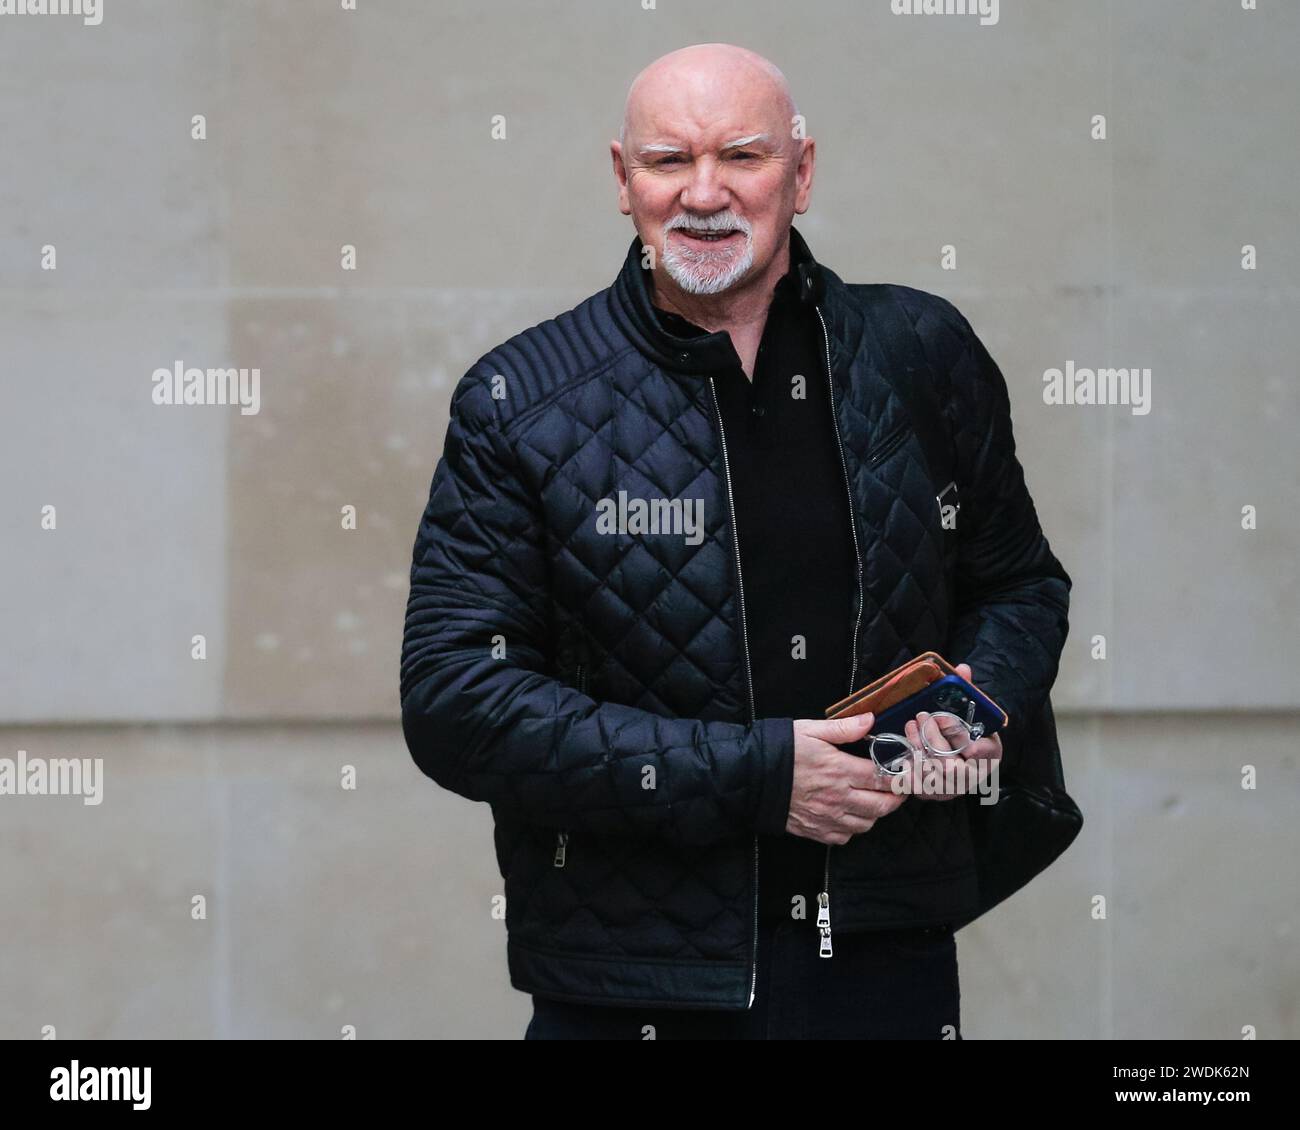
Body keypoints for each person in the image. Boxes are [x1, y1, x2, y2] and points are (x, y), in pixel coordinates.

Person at [400, 43, 1071, 1039]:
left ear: (801, 174)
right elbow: (457, 698)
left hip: (885, 953)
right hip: (633, 984)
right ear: (621, 180)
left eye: (742, 158)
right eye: (669, 161)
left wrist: (975, 710)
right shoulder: (521, 401)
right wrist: (758, 775)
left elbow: (1018, 584)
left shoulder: (920, 353)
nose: (703, 193)